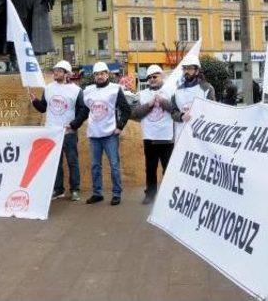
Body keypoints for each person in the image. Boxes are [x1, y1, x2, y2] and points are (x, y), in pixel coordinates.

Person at [30, 60, 87, 201]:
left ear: (66, 74)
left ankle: (75, 189)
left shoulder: (76, 90)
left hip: (68, 133)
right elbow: (43, 107)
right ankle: (58, 189)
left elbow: (84, 110)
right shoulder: (48, 88)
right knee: (55, 162)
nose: (55, 73)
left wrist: (73, 125)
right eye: (55, 70)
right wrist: (35, 102)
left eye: (59, 71)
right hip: (51, 133)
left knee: (72, 161)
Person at [83, 62, 131, 206]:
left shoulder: (115, 89)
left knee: (114, 165)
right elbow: (84, 110)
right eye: (97, 74)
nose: (100, 76)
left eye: (102, 73)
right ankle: (97, 193)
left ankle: (116, 194)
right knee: (95, 166)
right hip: (94, 135)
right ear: (94, 76)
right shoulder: (88, 91)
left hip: (110, 134)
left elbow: (126, 109)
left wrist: (120, 127)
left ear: (107, 74)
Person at [131, 65, 174, 204]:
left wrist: (163, 102)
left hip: (167, 138)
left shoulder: (170, 92)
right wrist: (149, 105)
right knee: (150, 168)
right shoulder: (142, 94)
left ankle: (168, 195)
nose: (151, 79)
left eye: (154, 76)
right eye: (149, 78)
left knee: (168, 168)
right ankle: (150, 193)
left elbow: (175, 110)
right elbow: (135, 114)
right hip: (149, 137)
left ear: (161, 76)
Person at [170, 55, 216, 138]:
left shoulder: (207, 88)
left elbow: (212, 111)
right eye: (184, 68)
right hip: (182, 135)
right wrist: (181, 116)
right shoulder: (176, 91)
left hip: (200, 135)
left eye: (190, 68)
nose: (186, 71)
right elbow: (173, 112)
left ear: (197, 71)